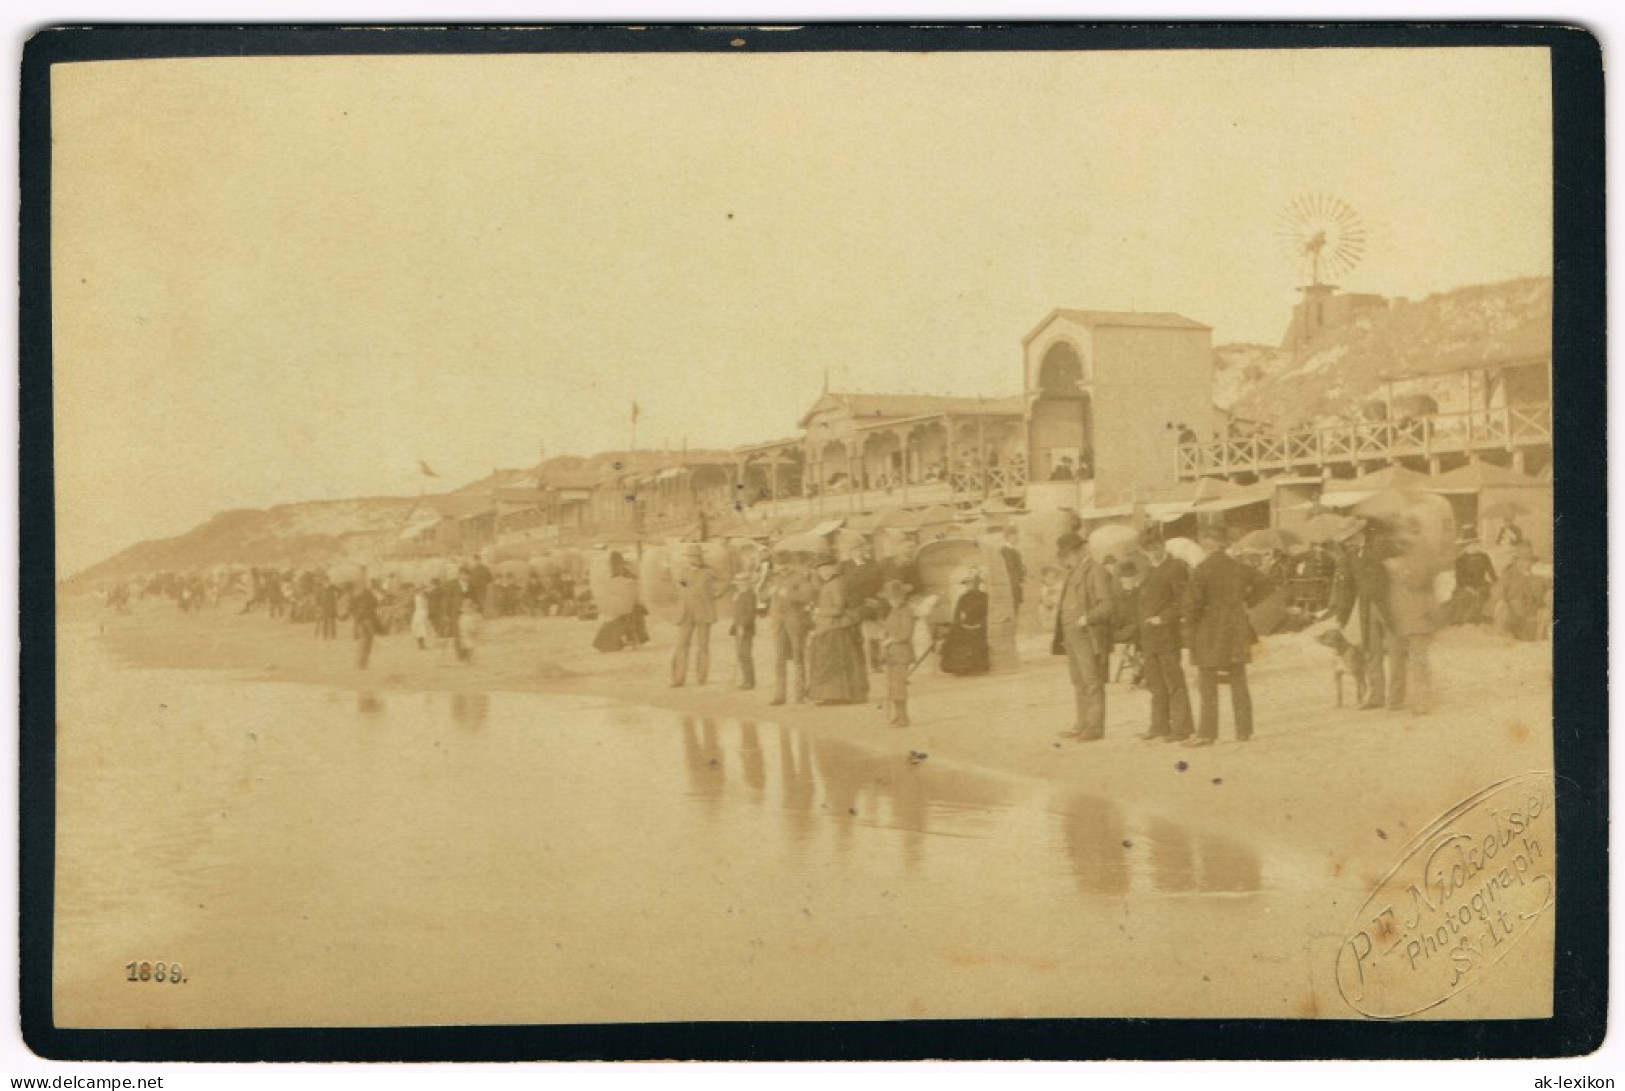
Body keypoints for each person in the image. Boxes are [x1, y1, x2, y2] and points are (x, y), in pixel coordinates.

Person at [1183, 530, 1262, 744]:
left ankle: (1208, 733)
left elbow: (1192, 606)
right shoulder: (1240, 568)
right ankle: (1244, 731)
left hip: (1209, 632)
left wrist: (1190, 629)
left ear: (1208, 547)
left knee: (1208, 682)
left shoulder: (1201, 570)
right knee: (1238, 680)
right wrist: (1248, 602)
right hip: (1236, 630)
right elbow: (1265, 584)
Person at [1332, 517, 1405, 710]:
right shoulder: (1351, 556)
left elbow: (1400, 572)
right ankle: (1376, 696)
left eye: (1348, 539)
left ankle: (1396, 699)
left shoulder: (1381, 546)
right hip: (1366, 607)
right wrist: (1342, 616)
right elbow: (1348, 588)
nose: (1346, 543)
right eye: (1344, 541)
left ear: (1358, 534)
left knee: (1396, 651)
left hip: (1391, 605)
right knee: (1372, 651)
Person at [1053, 533, 1117, 742]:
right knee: (1078, 681)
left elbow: (1107, 605)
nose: (1065, 559)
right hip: (1071, 635)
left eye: (1068, 554)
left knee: (1091, 681)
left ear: (1080, 551)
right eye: (1064, 555)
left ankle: (1094, 728)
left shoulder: (1096, 571)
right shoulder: (1073, 572)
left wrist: (1087, 619)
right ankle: (1082, 724)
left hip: (1087, 634)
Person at [1135, 532, 1194, 742]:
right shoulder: (1149, 570)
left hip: (1166, 634)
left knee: (1174, 681)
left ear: (1162, 545)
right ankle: (1159, 726)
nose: (1152, 553)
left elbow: (1183, 601)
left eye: (1155, 547)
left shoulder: (1175, 567)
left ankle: (1182, 728)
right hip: (1149, 637)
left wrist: (1163, 618)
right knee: (1155, 683)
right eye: (1147, 550)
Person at [806, 557, 869, 704]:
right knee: (833, 663)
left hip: (835, 628)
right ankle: (835, 696)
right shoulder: (830, 583)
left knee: (834, 664)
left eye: (826, 569)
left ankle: (838, 696)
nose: (823, 573)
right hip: (830, 628)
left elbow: (838, 609)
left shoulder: (836, 584)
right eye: (821, 570)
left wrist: (819, 611)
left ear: (834, 568)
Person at [670, 543, 728, 686]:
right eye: (692, 557)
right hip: (686, 613)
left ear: (701, 557)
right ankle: (678, 678)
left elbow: (725, 580)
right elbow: (682, 586)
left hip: (703, 612)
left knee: (703, 645)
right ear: (688, 558)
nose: (695, 559)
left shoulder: (709, 571)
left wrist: (717, 593)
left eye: (697, 556)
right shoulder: (684, 571)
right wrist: (684, 595)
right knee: (681, 645)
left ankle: (701, 677)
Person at [765, 558, 815, 705]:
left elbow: (808, 596)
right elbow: (761, 596)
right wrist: (769, 592)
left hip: (795, 621)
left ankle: (799, 694)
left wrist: (788, 594)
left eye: (784, 563)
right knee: (779, 658)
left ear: (790, 563)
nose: (781, 566)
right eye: (778, 563)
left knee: (798, 657)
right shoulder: (773, 577)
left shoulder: (799, 577)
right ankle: (780, 695)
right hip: (778, 622)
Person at [842, 541, 885, 672]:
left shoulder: (873, 564)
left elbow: (880, 584)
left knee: (873, 636)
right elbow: (842, 587)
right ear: (850, 551)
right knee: (854, 636)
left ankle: (875, 664)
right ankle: (857, 664)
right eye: (855, 549)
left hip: (870, 605)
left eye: (861, 548)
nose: (859, 552)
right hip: (853, 606)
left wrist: (877, 600)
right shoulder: (844, 566)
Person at [879, 579, 917, 726]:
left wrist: (890, 640)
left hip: (902, 653)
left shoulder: (906, 611)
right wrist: (884, 632)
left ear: (903, 597)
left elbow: (906, 633)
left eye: (895, 597)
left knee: (899, 685)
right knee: (893, 686)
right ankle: (898, 715)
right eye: (890, 598)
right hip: (892, 654)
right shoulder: (894, 611)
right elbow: (891, 627)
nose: (892, 601)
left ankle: (903, 717)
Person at [592, 551, 647, 652]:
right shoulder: (618, 572)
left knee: (624, 618)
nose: (617, 565)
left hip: (623, 605)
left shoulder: (621, 571)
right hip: (624, 605)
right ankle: (632, 638)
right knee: (626, 618)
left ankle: (631, 638)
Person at [939, 571, 990, 675]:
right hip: (965, 624)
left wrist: (980, 624)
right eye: (968, 583)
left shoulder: (985, 597)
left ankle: (973, 667)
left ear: (978, 584)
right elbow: (957, 615)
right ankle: (957, 667)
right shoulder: (963, 597)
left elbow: (989, 614)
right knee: (954, 639)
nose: (970, 585)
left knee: (974, 641)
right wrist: (961, 624)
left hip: (980, 625)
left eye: (972, 583)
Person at [1447, 531, 1497, 626]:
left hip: (1482, 585)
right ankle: (1464, 620)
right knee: (1461, 601)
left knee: (1482, 597)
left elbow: (1493, 575)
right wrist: (1472, 590)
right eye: (1470, 544)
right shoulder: (1460, 560)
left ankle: (1473, 618)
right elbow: (1460, 580)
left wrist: (1495, 585)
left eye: (1475, 543)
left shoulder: (1484, 556)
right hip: (1466, 587)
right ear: (1465, 545)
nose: (1473, 546)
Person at [728, 571, 758, 690]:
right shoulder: (739, 594)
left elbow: (750, 614)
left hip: (746, 629)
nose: (740, 586)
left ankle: (750, 682)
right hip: (738, 628)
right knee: (741, 654)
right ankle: (746, 680)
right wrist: (735, 626)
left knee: (745, 655)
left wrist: (743, 626)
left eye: (743, 584)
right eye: (738, 584)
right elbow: (737, 613)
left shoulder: (750, 595)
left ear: (748, 584)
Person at [349, 578, 380, 670]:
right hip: (367, 619)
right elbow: (375, 603)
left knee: (363, 641)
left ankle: (361, 664)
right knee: (367, 641)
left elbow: (351, 608)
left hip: (359, 620)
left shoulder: (354, 594)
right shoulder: (368, 593)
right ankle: (363, 664)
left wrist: (356, 615)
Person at [999, 527, 1027, 624]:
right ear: (1007, 537)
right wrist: (1017, 581)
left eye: (1016, 535)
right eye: (1014, 535)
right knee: (1009, 611)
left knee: (1015, 610)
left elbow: (1018, 568)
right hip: (1009, 585)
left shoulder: (1016, 552)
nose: (1017, 538)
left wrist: (1022, 577)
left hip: (1015, 585)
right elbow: (1007, 570)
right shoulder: (1004, 551)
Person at [456, 598, 483, 663]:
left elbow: (476, 625)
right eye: (465, 608)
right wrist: (462, 632)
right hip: (465, 634)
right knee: (467, 646)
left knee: (471, 646)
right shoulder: (462, 617)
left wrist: (474, 630)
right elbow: (460, 625)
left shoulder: (473, 616)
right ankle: (468, 658)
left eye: (469, 608)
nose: (467, 610)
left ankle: (471, 658)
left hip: (471, 634)